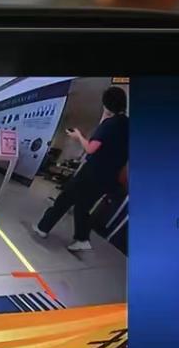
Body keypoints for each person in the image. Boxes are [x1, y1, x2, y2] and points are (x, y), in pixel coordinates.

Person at [34, 86, 128, 251]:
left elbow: (91, 148)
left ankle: (43, 228)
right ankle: (82, 238)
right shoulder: (128, 125)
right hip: (108, 178)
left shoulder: (110, 124)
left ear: (107, 104)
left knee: (65, 198)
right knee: (83, 206)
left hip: (92, 172)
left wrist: (78, 136)